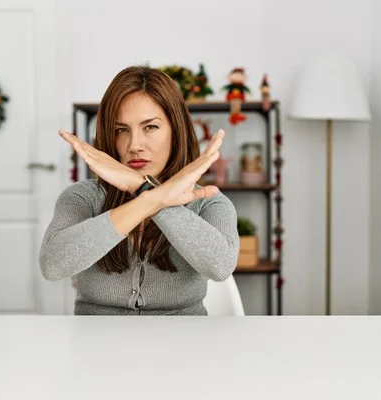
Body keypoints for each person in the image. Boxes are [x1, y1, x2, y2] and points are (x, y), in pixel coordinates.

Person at [39, 65, 240, 315]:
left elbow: (220, 266)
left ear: (176, 131)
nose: (134, 145)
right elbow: (52, 264)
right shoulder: (83, 197)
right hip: (96, 345)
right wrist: (152, 198)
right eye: (121, 130)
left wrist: (142, 189)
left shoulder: (208, 202)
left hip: (184, 345)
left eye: (150, 127)